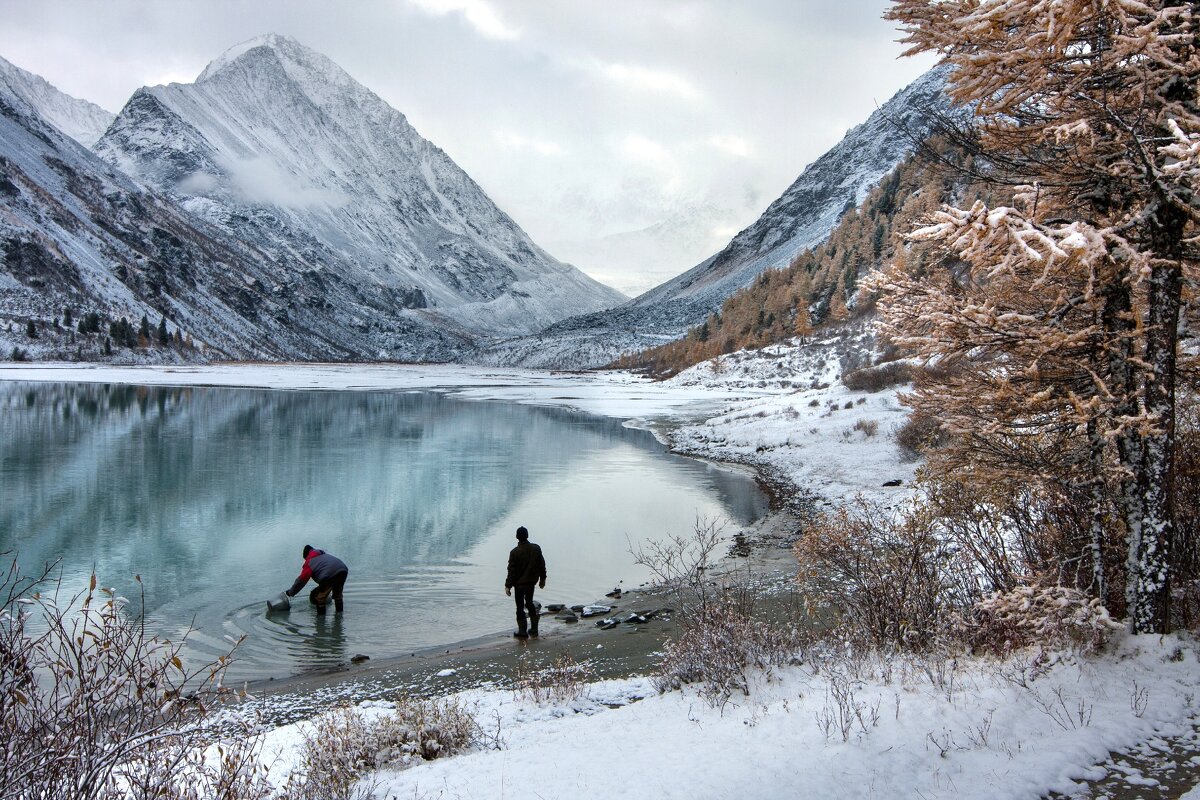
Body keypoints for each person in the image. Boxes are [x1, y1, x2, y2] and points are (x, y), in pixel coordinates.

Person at [504, 525, 546, 639]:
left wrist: (508, 586)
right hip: (531, 583)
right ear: (527, 535)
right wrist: (543, 579)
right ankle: (534, 629)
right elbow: (541, 565)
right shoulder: (536, 548)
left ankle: (522, 631)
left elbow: (511, 571)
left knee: (520, 607)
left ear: (517, 537)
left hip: (519, 585)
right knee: (529, 603)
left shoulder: (514, 552)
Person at [285, 545, 349, 614]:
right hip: (343, 570)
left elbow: (301, 580)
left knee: (319, 597)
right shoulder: (323, 556)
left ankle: (320, 620)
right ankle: (339, 616)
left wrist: (291, 592)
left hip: (329, 575)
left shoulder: (309, 562)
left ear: (306, 556)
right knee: (338, 595)